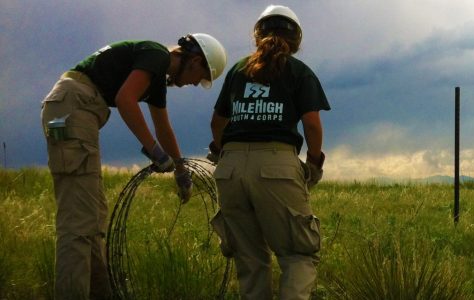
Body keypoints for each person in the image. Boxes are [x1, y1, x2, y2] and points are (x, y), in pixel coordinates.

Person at [40, 33, 226, 299]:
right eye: (200, 77)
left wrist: (181, 171)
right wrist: (154, 151)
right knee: (79, 224)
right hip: (74, 108)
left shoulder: (156, 74)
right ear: (194, 61)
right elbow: (126, 99)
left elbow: (163, 127)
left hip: (76, 109)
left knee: (93, 218)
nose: (195, 84)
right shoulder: (156, 55)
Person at [207, 5, 330, 299]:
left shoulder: (238, 70)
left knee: (249, 261)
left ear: (257, 34)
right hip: (276, 166)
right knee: (298, 254)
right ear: (296, 39)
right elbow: (312, 125)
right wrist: (313, 162)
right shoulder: (299, 71)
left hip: (230, 169)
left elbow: (217, 123)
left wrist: (229, 154)